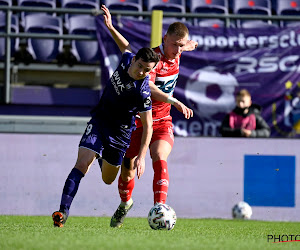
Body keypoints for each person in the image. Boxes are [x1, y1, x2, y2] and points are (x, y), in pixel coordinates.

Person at [100, 5, 198, 228]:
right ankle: (125, 204)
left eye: (181, 46)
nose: (177, 50)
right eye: (174, 45)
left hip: (162, 121)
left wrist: (189, 46)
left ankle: (159, 209)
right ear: (165, 39)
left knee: (159, 156)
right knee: (127, 171)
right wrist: (173, 100)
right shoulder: (154, 59)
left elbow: (186, 45)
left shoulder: (179, 52)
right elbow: (149, 86)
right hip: (137, 122)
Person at [52, 43, 160, 227]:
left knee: (108, 179)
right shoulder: (126, 59)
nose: (141, 71)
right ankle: (63, 211)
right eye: (140, 65)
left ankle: (102, 158)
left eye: (146, 70)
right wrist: (110, 27)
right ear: (134, 60)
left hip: (120, 135)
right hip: (99, 122)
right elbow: (124, 45)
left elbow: (148, 126)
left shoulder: (142, 92)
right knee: (81, 164)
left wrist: (141, 157)